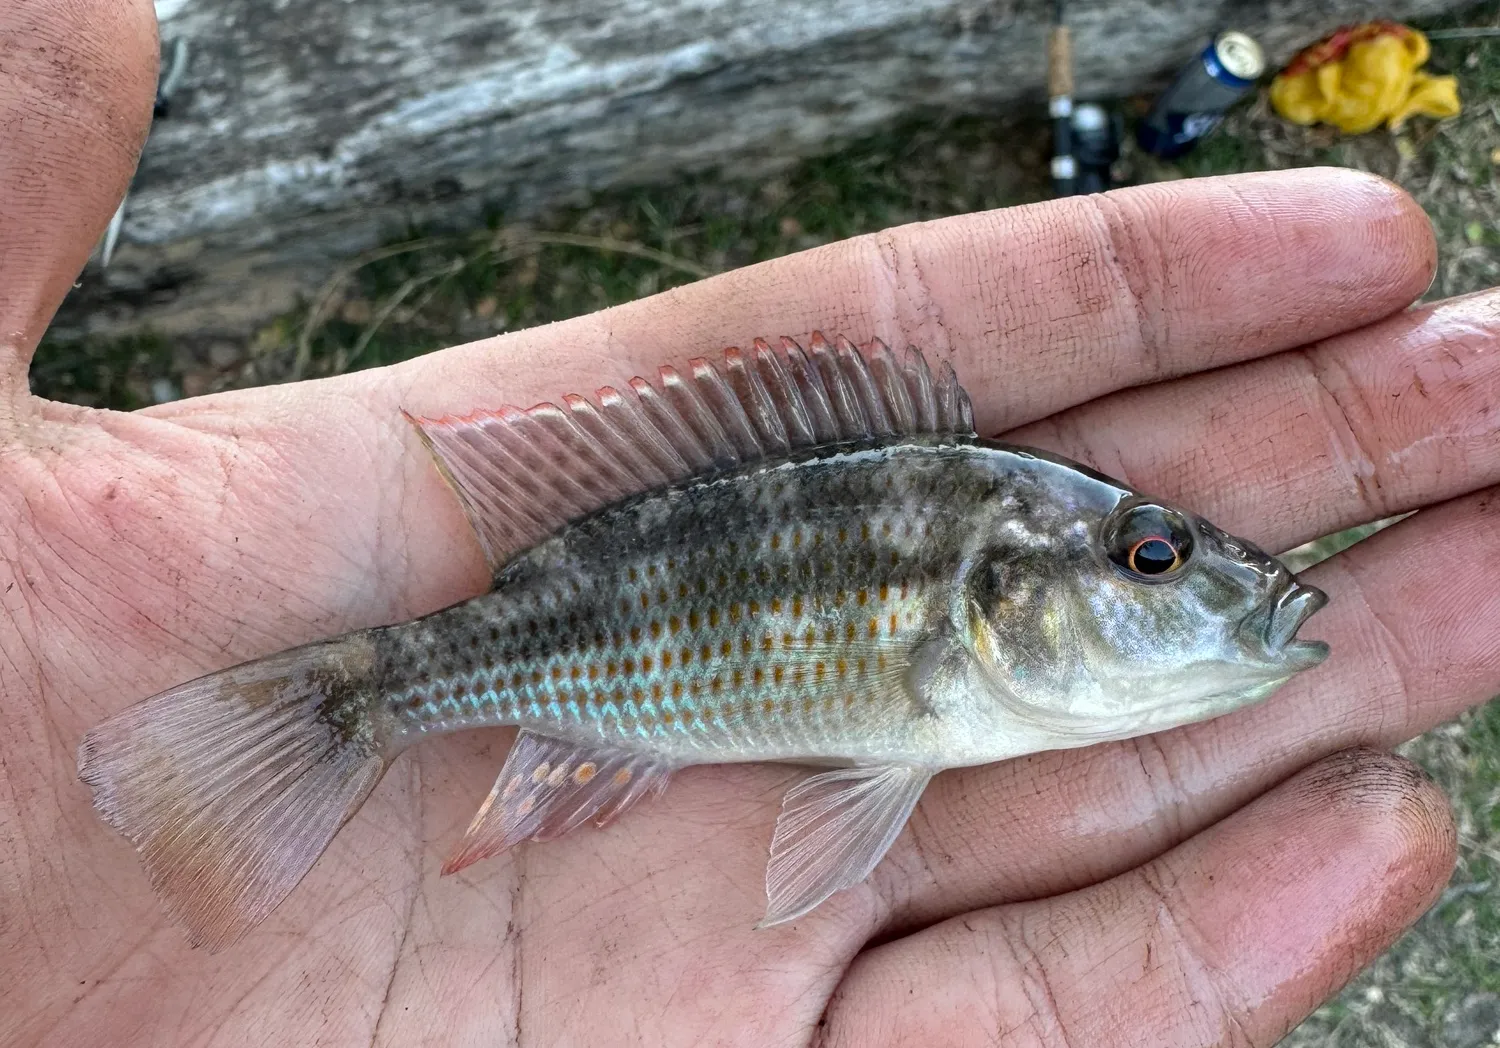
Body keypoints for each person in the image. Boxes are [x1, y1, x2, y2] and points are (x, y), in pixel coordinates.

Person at [2, 2, 1495, 1045]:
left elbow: (856, 795)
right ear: (997, 597)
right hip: (536, 652)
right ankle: (337, 707)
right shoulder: (965, 607)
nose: (1198, 576)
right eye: (1152, 554)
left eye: (1159, 552)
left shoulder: (977, 653)